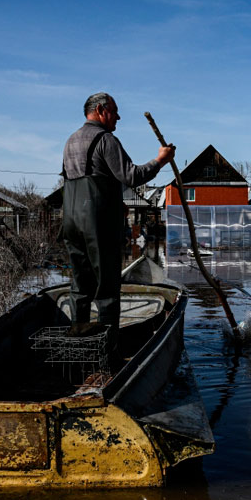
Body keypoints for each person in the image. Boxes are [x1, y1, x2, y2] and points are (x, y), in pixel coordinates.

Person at [61, 92, 175, 348]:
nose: (118, 117)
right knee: (107, 289)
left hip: (71, 221)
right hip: (97, 224)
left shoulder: (70, 141)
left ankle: (79, 343)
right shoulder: (105, 139)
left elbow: (82, 181)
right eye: (115, 111)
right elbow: (132, 176)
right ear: (101, 110)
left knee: (80, 283)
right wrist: (161, 160)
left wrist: (113, 200)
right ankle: (107, 351)